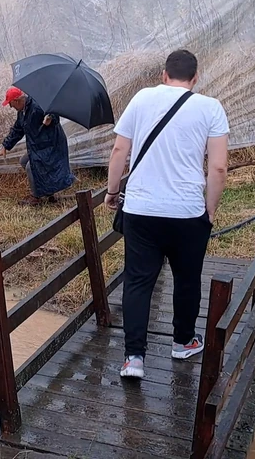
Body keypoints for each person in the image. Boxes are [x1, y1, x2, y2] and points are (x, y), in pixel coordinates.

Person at [104, 49, 229, 379]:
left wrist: (113, 191)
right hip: (187, 212)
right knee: (187, 279)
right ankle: (183, 341)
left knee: (138, 281)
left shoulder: (142, 99)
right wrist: (210, 209)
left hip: (141, 210)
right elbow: (218, 167)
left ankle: (133, 358)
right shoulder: (210, 108)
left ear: (164, 74)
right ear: (195, 78)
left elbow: (120, 150)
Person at [0, 87, 76, 205]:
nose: (10, 107)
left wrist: (50, 119)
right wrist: (5, 146)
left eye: (11, 104)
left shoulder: (37, 106)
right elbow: (17, 129)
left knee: (30, 166)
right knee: (24, 161)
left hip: (52, 145)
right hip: (39, 146)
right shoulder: (22, 111)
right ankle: (48, 192)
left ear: (17, 100)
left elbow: (54, 113)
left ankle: (36, 197)